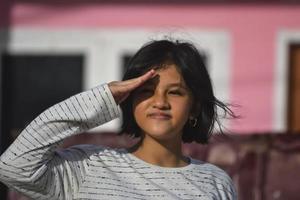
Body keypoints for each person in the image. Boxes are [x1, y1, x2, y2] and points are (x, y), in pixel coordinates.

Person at [0, 39, 237, 200]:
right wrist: (106, 96)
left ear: (194, 107)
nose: (160, 102)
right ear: (130, 99)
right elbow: (12, 168)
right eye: (146, 91)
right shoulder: (87, 166)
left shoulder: (215, 182)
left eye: (175, 92)